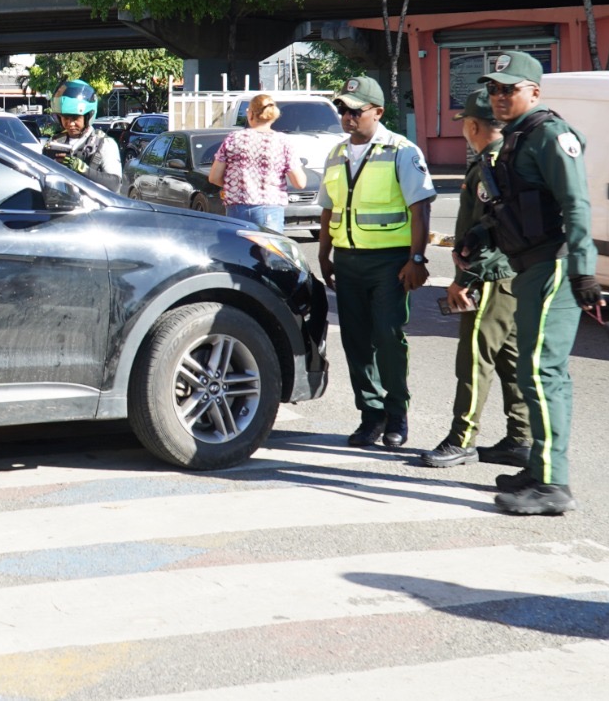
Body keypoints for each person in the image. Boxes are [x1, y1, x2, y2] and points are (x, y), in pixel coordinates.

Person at [475, 52, 602, 516]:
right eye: (493, 89)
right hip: (528, 266)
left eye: (509, 89)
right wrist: (479, 235)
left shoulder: (550, 134)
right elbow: (518, 204)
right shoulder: (517, 138)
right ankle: (538, 466)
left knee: (542, 371)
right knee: (534, 371)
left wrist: (584, 267)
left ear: (534, 91)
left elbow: (576, 204)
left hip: (552, 267)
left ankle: (553, 484)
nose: (499, 97)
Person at [316, 76, 437, 449]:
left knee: (387, 337)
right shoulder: (336, 153)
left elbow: (421, 208)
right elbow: (328, 208)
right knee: (355, 342)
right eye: (342, 110)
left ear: (378, 112)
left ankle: (396, 413)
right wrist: (324, 253)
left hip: (389, 263)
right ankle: (371, 415)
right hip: (348, 261)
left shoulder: (402, 150)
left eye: (356, 110)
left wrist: (416, 258)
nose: (347, 117)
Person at [418, 89, 531, 469]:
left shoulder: (490, 165)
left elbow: (492, 229)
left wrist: (466, 280)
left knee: (474, 360)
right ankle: (521, 437)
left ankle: (462, 438)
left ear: (472, 125)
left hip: (489, 275)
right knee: (510, 359)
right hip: (512, 274)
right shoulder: (511, 158)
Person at [208, 93, 307, 232]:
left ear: (251, 114)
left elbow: (214, 177)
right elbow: (300, 183)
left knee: (238, 252)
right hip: (270, 210)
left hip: (237, 209)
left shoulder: (234, 138)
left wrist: (238, 185)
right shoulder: (283, 142)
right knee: (268, 252)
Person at [43, 79, 123, 193]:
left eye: (75, 118)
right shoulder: (55, 142)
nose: (70, 124)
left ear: (88, 116)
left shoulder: (104, 144)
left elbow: (115, 184)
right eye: (65, 118)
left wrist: (82, 169)